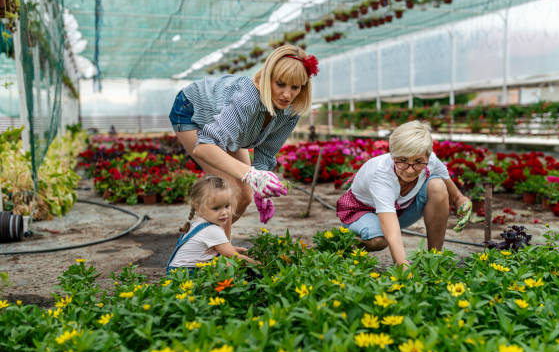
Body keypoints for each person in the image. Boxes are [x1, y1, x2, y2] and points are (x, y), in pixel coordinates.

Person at [169, 45, 318, 225]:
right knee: (228, 191)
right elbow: (204, 147)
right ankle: (210, 246)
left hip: (225, 127)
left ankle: (215, 242)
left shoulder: (291, 111)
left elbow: (265, 152)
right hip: (192, 111)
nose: (287, 94)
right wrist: (251, 175)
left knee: (245, 196)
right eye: (280, 84)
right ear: (267, 78)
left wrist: (261, 189)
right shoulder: (247, 98)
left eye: (295, 87)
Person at [336, 121, 472, 268]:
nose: (410, 170)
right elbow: (392, 231)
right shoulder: (381, 175)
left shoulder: (431, 160)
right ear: (393, 155)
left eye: (418, 161)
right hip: (362, 212)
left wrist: (463, 203)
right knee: (379, 241)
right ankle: (341, 243)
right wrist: (403, 267)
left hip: (400, 210)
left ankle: (434, 259)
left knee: (437, 186)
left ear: (427, 156)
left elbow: (457, 196)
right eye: (402, 160)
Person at [166, 175, 256, 274]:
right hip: (187, 276)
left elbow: (221, 249)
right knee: (230, 263)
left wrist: (240, 250)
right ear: (199, 207)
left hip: (176, 273)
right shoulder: (212, 230)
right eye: (216, 208)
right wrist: (259, 265)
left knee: (225, 261)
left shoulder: (199, 223)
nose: (224, 212)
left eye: (227, 206)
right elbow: (233, 256)